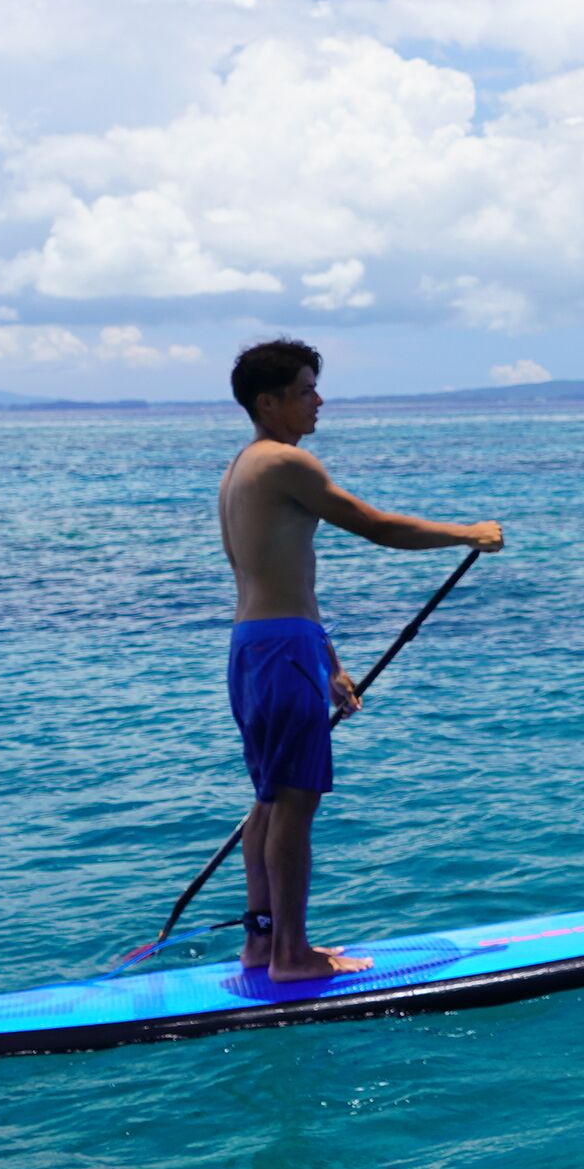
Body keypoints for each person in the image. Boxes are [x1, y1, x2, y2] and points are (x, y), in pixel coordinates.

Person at [217, 338, 504, 980]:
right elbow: (377, 527)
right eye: (305, 390)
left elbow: (274, 575)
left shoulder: (238, 470)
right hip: (282, 648)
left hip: (257, 648)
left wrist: (328, 660)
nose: (318, 401)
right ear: (269, 401)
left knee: (268, 801)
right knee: (293, 803)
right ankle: (293, 955)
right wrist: (467, 533)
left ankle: (261, 945)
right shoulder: (287, 464)